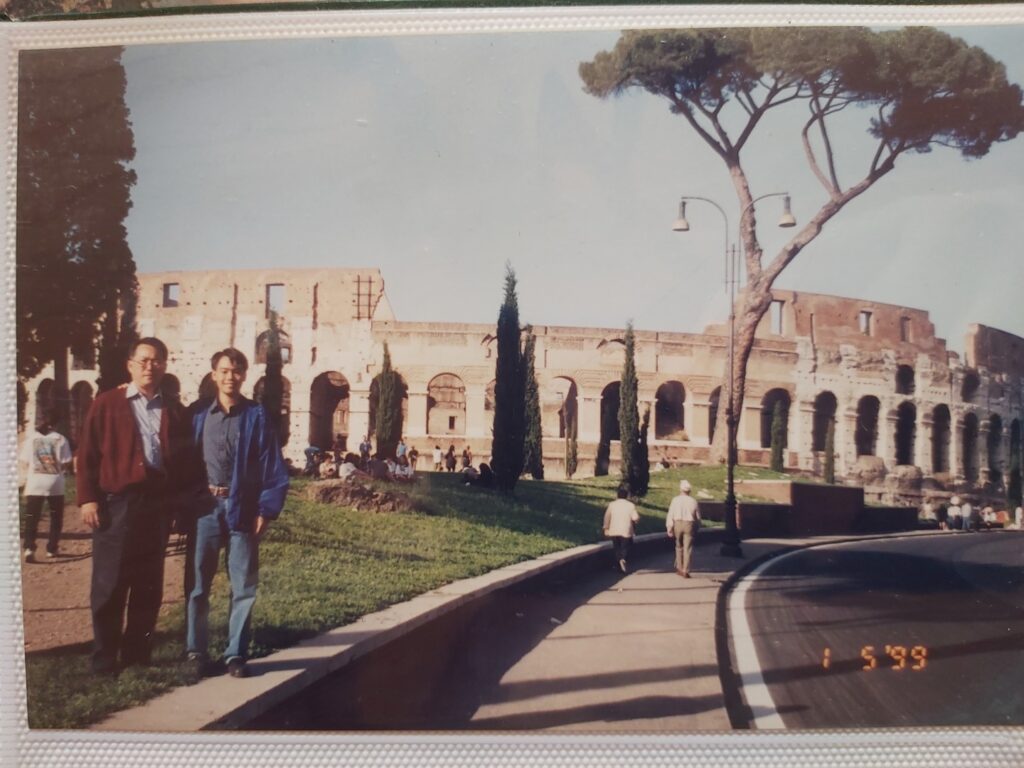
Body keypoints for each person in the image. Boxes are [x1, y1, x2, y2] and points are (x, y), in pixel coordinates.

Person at [77, 337, 192, 674]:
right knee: (109, 584)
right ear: (130, 365)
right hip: (116, 505)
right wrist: (87, 498)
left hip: (155, 506)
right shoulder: (107, 403)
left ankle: (137, 656)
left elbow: (183, 462)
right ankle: (104, 658)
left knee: (148, 585)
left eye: (156, 360)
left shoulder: (172, 409)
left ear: (165, 365)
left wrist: (178, 506)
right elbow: (87, 454)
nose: (149, 366)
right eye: (143, 360)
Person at [186, 348, 289, 679]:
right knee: (198, 584)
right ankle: (195, 651)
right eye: (224, 370)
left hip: (242, 507)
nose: (230, 376)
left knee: (243, 585)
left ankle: (235, 654)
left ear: (245, 376)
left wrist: (267, 510)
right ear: (214, 374)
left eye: (236, 371)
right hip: (204, 508)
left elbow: (272, 465)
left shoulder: (256, 416)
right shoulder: (198, 415)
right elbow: (181, 462)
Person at [20, 407, 73, 562]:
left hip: (35, 483)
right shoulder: (61, 439)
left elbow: (24, 461)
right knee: (56, 517)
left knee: (32, 517)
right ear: (57, 423)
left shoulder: (31, 438)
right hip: (55, 483)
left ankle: (29, 547)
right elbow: (65, 462)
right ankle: (52, 548)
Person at [665, 479, 701, 578]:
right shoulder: (693, 501)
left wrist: (669, 527)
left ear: (680, 489)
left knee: (678, 546)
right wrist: (697, 527)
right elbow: (697, 517)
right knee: (687, 547)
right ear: (689, 491)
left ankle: (679, 568)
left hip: (677, 523)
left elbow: (670, 514)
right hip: (689, 524)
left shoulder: (675, 500)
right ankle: (686, 569)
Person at [603, 486, 640, 573]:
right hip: (626, 530)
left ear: (617, 496)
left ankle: (619, 563)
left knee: (617, 547)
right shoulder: (630, 505)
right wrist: (636, 521)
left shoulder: (612, 505)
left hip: (614, 530)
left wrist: (606, 527)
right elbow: (636, 517)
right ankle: (623, 559)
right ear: (626, 496)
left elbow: (607, 517)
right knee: (626, 546)